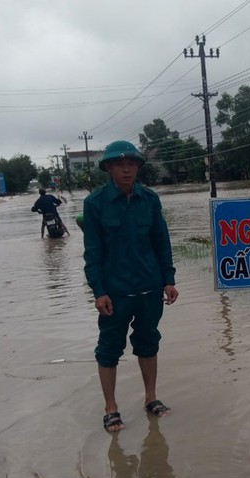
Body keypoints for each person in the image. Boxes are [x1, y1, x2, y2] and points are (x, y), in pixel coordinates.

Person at [83, 140, 179, 433]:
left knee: (149, 342)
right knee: (109, 348)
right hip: (115, 292)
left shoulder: (150, 200)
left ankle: (151, 398)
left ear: (138, 167)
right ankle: (111, 407)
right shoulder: (95, 204)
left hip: (150, 288)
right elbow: (93, 252)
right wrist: (98, 291)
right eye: (119, 164)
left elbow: (161, 242)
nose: (126, 169)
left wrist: (168, 279)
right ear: (109, 168)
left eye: (132, 163)